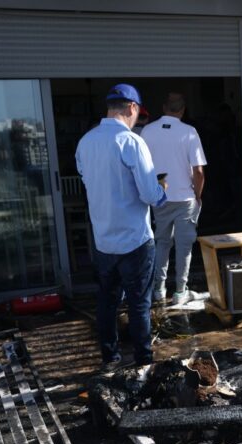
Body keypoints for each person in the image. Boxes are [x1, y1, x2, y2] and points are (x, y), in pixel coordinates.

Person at [76, 83, 167, 369]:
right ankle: (143, 363)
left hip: (103, 240)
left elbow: (88, 181)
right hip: (135, 239)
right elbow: (149, 194)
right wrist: (162, 190)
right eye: (137, 113)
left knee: (107, 302)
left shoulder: (85, 142)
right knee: (139, 305)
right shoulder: (131, 142)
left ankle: (110, 358)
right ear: (131, 108)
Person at [139, 92, 207, 305]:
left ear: (164, 107)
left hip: (159, 196)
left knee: (162, 243)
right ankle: (180, 291)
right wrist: (198, 195)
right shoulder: (189, 132)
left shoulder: (147, 131)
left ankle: (159, 289)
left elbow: (141, 167)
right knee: (184, 246)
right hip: (185, 198)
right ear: (183, 110)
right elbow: (198, 171)